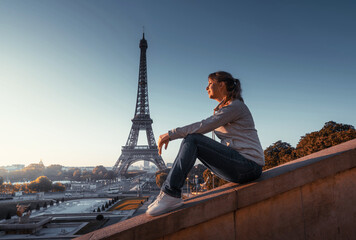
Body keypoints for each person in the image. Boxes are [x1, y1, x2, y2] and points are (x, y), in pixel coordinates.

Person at [146, 71, 265, 216]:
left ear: (221, 85)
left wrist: (171, 134)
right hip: (242, 167)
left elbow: (204, 125)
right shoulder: (226, 108)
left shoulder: (235, 106)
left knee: (193, 139)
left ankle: (170, 194)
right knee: (191, 139)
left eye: (210, 84)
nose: (206, 88)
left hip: (249, 166)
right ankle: (168, 193)